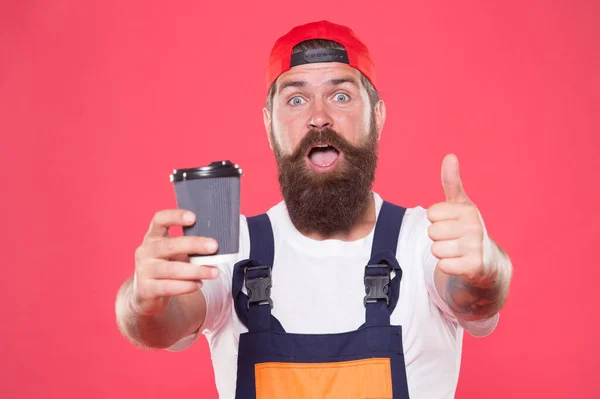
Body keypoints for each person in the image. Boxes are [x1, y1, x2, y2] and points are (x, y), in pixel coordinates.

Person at [115, 20, 513, 399]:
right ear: (270, 126)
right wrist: (139, 300)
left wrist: (490, 267)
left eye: (341, 96)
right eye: (296, 99)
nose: (319, 117)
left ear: (377, 116)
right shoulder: (230, 245)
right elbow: (160, 326)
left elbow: (477, 296)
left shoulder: (427, 238)